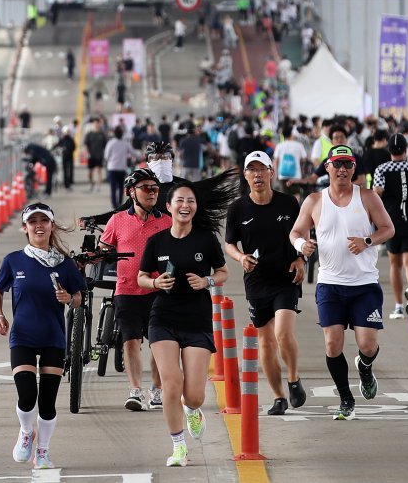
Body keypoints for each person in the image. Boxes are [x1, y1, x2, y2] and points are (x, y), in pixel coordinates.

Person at [289, 145, 395, 420]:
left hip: (364, 284)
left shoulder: (368, 197)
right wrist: (303, 245)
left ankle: (365, 367)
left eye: (348, 165)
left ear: (354, 169)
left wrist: (367, 241)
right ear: (327, 167)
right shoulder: (314, 200)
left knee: (368, 344)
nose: (343, 170)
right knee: (332, 345)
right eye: (337, 164)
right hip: (330, 285)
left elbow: (388, 228)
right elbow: (296, 232)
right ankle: (346, 398)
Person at [138, 182, 229, 466]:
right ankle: (178, 446)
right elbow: (141, 276)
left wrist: (207, 281)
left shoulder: (206, 240)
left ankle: (192, 410)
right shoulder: (157, 241)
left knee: (194, 395)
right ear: (168, 206)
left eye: (190, 201)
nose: (185, 205)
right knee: (171, 383)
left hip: (197, 318)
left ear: (195, 207)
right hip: (163, 317)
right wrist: (155, 282)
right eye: (179, 201)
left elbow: (223, 272)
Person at [0, 203, 86, 471]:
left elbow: (80, 297)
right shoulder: (14, 260)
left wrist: (69, 298)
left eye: (43, 221)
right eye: (32, 221)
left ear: (52, 226)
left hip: (53, 337)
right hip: (22, 335)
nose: (38, 226)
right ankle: (26, 432)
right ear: (25, 228)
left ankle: (43, 452)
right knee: (26, 394)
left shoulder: (65, 263)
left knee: (47, 401)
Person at [224, 151, 306, 415]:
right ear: (245, 176)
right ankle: (278, 396)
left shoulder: (289, 203)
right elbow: (229, 243)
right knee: (266, 342)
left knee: (282, 333)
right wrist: (240, 258)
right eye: (252, 170)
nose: (257, 175)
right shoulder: (238, 209)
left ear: (272, 172)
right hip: (256, 281)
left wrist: (301, 259)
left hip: (285, 277)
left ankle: (293, 378)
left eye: (262, 169)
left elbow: (302, 234)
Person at [100, 168, 171, 411]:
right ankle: (135, 391)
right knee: (130, 340)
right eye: (146, 188)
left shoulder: (166, 220)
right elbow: (104, 249)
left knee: (159, 342)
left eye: (155, 188)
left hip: (158, 291)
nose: (152, 193)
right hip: (127, 291)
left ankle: (157, 389)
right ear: (132, 192)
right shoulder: (117, 220)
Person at [372, 133, 408, 319]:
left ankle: (398, 306)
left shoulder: (382, 169)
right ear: (406, 149)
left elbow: (377, 191)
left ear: (389, 150)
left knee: (394, 264)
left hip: (391, 221)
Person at [104, 126, 137, 210]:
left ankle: (114, 206)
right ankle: (119, 204)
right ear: (122, 134)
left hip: (112, 168)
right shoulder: (125, 143)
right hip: (121, 169)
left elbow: (106, 156)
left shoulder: (110, 143)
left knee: (113, 188)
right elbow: (133, 152)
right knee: (121, 188)